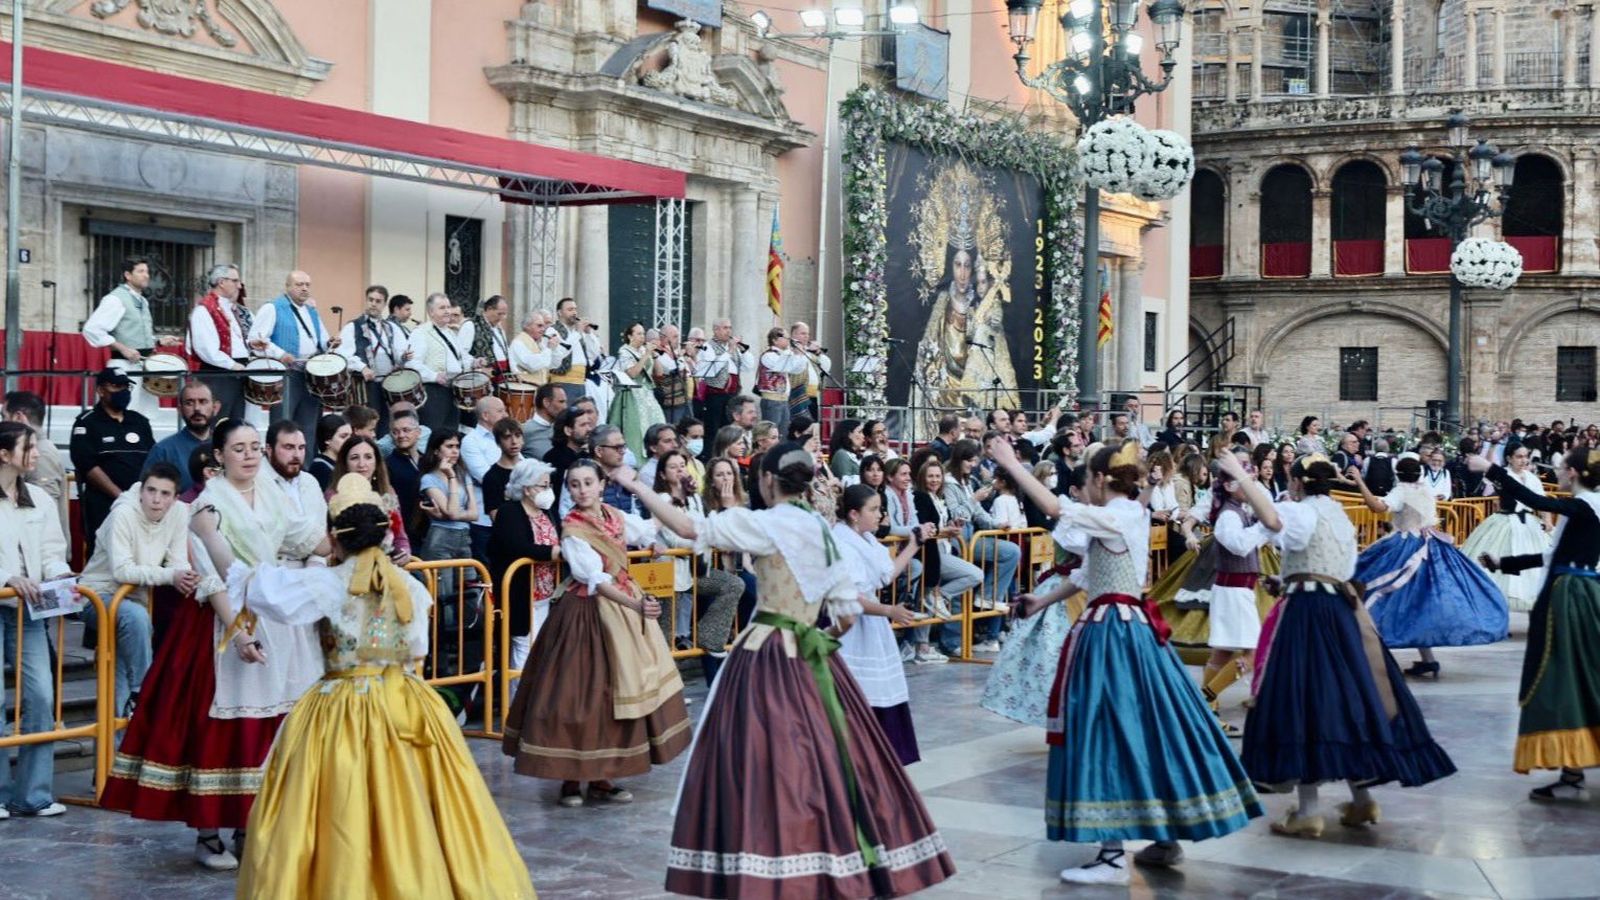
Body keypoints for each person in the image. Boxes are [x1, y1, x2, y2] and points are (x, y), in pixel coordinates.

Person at [618, 444, 956, 897]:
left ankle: (769, 860)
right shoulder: (821, 527)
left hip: (766, 651)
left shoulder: (767, 523)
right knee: (828, 755)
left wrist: (631, 481)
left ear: (768, 481)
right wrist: (824, 643)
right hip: (816, 654)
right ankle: (833, 855)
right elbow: (846, 613)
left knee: (758, 758)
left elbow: (684, 526)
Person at [192, 473, 535, 898]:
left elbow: (253, 584)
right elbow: (416, 652)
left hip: (341, 710)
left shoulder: (327, 584)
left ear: (335, 540)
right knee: (419, 809)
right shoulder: (410, 585)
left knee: (339, 809)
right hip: (408, 706)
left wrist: (209, 534)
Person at [992, 439, 1261, 883]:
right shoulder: (1126, 515)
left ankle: (1114, 855)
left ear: (1099, 480)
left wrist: (1011, 465)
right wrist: (1039, 602)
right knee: (1149, 729)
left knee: (1106, 729)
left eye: (1087, 478)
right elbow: (1085, 574)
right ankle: (1163, 835)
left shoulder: (1119, 514)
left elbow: (1058, 511)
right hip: (1130, 630)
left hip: (1113, 634)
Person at [101, 418, 329, 870]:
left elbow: (306, 538)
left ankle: (249, 827)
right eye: (237, 448)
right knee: (219, 727)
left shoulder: (273, 495)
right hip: (221, 622)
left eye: (253, 447)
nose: (247, 455)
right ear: (219, 456)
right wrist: (238, 632)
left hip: (275, 614)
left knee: (272, 724)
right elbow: (209, 578)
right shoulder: (206, 507)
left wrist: (360, 541)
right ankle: (208, 833)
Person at [1217, 450, 1455, 839]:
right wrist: (1289, 579)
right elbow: (1330, 566)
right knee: (1351, 699)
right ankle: (1362, 800)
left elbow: (1273, 519)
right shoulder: (1338, 515)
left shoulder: (1299, 510)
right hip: (1341, 612)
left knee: (1303, 701)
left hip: (1308, 615)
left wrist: (1242, 479)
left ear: (1295, 483)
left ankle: (1308, 810)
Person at [501, 460, 692, 807]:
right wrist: (636, 607)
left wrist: (665, 510)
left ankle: (604, 776)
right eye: (575, 484)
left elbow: (648, 529)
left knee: (618, 696)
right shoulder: (573, 529)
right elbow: (595, 581)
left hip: (625, 607)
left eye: (588, 482)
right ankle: (571, 779)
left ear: (601, 484)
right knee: (579, 696)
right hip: (586, 614)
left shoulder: (615, 516)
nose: (582, 489)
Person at [1470, 448, 1600, 799]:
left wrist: (1491, 469)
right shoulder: (1587, 508)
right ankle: (1572, 770)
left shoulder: (1587, 505)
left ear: (1572, 472)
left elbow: (1528, 498)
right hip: (1580, 594)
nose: (1555, 475)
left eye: (1560, 470)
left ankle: (1572, 773)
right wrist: (1504, 563)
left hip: (1570, 600)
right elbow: (1551, 554)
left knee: (1563, 678)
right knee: (1579, 678)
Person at [1350, 457, 1509, 676]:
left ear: (1398, 474)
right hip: (1433, 548)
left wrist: (1360, 481)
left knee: (1374, 588)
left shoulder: (1402, 491)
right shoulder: (1424, 490)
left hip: (1405, 547)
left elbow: (1377, 507)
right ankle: (1427, 659)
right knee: (1420, 601)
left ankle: (1366, 647)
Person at [78, 463, 195, 717]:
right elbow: (122, 570)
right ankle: (144, 689)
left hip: (136, 600)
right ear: (141, 491)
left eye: (165, 494)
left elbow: (178, 562)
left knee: (117, 680)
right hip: (97, 595)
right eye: (151, 490)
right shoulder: (122, 513)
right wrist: (170, 576)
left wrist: (183, 576)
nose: (156, 499)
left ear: (175, 499)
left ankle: (115, 750)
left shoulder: (179, 514)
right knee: (135, 618)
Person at [0, 421, 73, 819]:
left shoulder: (40, 500)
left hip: (29, 609)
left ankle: (33, 794)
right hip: (5, 598)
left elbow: (51, 550)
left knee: (42, 695)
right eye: (28, 447)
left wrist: (59, 573)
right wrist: (6, 578)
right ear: (4, 454)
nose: (36, 453)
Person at [981, 465, 1087, 728]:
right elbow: (1086, 560)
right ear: (1075, 490)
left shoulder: (1098, 516)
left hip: (1088, 591)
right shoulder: (1072, 519)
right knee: (1054, 655)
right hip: (1066, 590)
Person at [831, 484, 926, 764]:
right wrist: (887, 609)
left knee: (882, 688)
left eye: (879, 509)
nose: (878, 515)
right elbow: (851, 595)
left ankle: (884, 755)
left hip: (872, 625)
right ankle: (857, 755)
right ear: (853, 514)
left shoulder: (868, 540)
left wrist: (914, 544)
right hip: (852, 625)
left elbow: (885, 575)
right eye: (872, 510)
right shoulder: (841, 542)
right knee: (857, 688)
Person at [83, 254, 184, 417]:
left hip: (144, 367)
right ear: (128, 275)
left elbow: (133, 333)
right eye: (141, 271)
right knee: (120, 413)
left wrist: (158, 341)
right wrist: (123, 348)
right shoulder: (115, 299)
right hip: (123, 366)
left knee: (145, 416)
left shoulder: (142, 301)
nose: (147, 275)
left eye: (147, 271)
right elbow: (92, 329)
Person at [70, 368, 157, 556]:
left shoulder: (139, 421)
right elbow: (87, 465)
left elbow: (153, 459)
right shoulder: (86, 423)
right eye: (116, 386)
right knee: (104, 558)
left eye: (126, 386)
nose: (123, 391)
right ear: (101, 390)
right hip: (104, 505)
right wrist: (122, 497)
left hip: (141, 504)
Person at [488, 458, 562, 676]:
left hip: (547, 592)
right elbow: (517, 546)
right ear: (528, 488)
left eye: (549, 485)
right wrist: (553, 553)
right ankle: (517, 705)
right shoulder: (509, 512)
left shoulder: (547, 512)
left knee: (543, 649)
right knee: (523, 650)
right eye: (543, 485)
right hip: (521, 592)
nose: (548, 490)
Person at [944, 439, 1019, 651]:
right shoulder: (949, 483)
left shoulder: (967, 483)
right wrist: (974, 499)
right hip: (958, 540)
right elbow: (957, 515)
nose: (973, 465)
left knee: (1011, 551)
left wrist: (997, 524)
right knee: (959, 591)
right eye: (970, 461)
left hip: (972, 537)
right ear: (960, 459)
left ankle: (987, 596)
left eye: (975, 461)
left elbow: (979, 515)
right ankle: (952, 642)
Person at [248, 270, 337, 439]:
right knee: (283, 425)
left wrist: (331, 343)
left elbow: (322, 340)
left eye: (307, 285)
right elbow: (256, 339)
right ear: (287, 286)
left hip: (310, 376)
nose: (304, 288)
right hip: (286, 375)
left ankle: (306, 464)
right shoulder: (272, 308)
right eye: (299, 284)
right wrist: (280, 354)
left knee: (308, 428)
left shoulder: (311, 311)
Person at [1461, 444, 1550, 613]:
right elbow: (1492, 478)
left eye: (1526, 456)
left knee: (1534, 567)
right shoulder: (1504, 475)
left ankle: (1532, 602)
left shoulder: (1532, 478)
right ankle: (1495, 608)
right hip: (1505, 522)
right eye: (1519, 456)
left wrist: (1547, 521)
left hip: (1529, 524)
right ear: (1509, 458)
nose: (1524, 460)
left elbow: (1541, 501)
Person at [914, 456, 985, 658]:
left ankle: (924, 643)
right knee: (974, 574)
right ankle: (923, 643)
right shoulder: (921, 496)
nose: (934, 480)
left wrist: (952, 525)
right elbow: (926, 527)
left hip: (943, 550)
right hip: (931, 551)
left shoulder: (940, 497)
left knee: (925, 597)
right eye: (930, 476)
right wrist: (945, 531)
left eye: (937, 476)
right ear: (922, 477)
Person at [336, 284, 414, 431]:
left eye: (378, 301)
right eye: (371, 299)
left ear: (384, 304)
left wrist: (403, 357)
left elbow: (398, 353)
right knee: (365, 423)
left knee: (386, 423)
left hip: (387, 384)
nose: (373, 304)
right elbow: (343, 354)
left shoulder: (390, 327)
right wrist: (363, 367)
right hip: (364, 385)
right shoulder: (353, 326)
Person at [329, 435, 410, 565]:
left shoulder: (387, 493)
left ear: (376, 462)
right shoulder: (333, 496)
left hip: (386, 565)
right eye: (355, 458)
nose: (362, 464)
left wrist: (404, 552)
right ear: (345, 463)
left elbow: (400, 536)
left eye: (368, 457)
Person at [417, 430, 478, 603]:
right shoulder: (429, 479)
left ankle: (471, 631)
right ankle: (442, 631)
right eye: (449, 446)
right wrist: (451, 476)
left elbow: (474, 514)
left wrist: (450, 515)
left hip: (464, 538)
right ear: (436, 451)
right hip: (440, 539)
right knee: (444, 598)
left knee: (470, 594)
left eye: (457, 446)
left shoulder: (464, 474)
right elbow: (452, 511)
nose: (455, 451)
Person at [188, 264, 251, 421]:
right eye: (235, 280)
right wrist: (232, 365)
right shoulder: (204, 310)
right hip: (218, 373)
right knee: (217, 421)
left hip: (238, 370)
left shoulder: (232, 309)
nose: (239, 285)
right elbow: (206, 349)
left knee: (236, 422)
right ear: (221, 282)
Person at [2, 391, 69, 539]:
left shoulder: (42, 454)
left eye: (4, 417)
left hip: (39, 551)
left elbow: (40, 515)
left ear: (18, 417)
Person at [408, 293, 473, 438]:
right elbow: (412, 363)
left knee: (451, 434)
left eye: (448, 307)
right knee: (434, 435)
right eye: (442, 308)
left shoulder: (450, 333)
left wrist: (474, 362)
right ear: (431, 312)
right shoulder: (421, 333)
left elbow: (459, 358)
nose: (447, 311)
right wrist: (434, 376)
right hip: (433, 392)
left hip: (452, 391)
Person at [608, 321, 669, 459]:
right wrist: (646, 354)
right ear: (630, 336)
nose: (642, 337)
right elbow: (632, 373)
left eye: (643, 333)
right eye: (639, 333)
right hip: (632, 395)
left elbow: (659, 373)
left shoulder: (643, 350)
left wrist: (654, 355)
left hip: (647, 394)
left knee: (657, 424)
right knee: (636, 430)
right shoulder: (624, 351)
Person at [144, 381, 216, 495]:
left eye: (203, 402)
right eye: (189, 403)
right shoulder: (163, 450)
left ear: (215, 408)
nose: (197, 408)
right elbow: (148, 495)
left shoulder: (226, 447)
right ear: (180, 410)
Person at [461, 395, 509, 561]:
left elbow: (523, 469)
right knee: (486, 574)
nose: (506, 415)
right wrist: (516, 484)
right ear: (485, 416)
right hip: (483, 520)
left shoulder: (506, 438)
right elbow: (487, 478)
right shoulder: (471, 441)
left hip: (507, 517)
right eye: (500, 411)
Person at [546, 297, 605, 409]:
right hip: (562, 382)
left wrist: (588, 334)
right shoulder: (552, 330)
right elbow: (561, 352)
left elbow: (593, 354)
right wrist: (578, 332)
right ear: (560, 313)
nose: (574, 312)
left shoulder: (577, 333)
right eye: (570, 309)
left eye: (575, 309)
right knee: (565, 417)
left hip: (581, 382)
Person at [694, 319, 751, 429]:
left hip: (733, 394)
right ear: (715, 330)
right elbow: (715, 368)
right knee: (714, 429)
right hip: (716, 395)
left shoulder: (734, 347)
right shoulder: (708, 346)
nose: (729, 331)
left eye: (730, 328)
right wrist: (729, 351)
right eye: (725, 328)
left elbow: (748, 366)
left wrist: (743, 351)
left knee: (730, 427)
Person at [385, 409, 426, 549]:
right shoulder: (387, 464)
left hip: (430, 532)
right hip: (403, 534)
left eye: (406, 430)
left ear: (418, 432)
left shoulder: (428, 461)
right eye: (395, 432)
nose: (401, 435)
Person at [754, 326, 805, 431]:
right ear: (775, 340)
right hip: (772, 400)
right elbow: (783, 367)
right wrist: (792, 352)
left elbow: (797, 369)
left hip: (784, 400)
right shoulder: (769, 355)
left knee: (783, 434)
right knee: (770, 432)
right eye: (785, 337)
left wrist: (800, 354)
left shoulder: (785, 355)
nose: (788, 340)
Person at [508, 307, 568, 390]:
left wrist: (554, 349)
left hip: (538, 390)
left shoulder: (538, 343)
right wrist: (549, 349)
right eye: (539, 326)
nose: (543, 329)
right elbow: (533, 365)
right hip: (524, 392)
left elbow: (553, 364)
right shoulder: (518, 342)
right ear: (527, 326)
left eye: (544, 326)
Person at [481, 418, 525, 523]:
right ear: (498, 442)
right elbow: (495, 516)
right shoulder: (491, 476)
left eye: (517, 436)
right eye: (507, 437)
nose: (514, 441)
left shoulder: (530, 469)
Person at [787, 321, 831, 423]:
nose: (806, 337)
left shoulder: (810, 353)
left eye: (807, 334)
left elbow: (826, 367)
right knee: (799, 426)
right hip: (797, 396)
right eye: (803, 333)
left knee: (813, 428)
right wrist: (801, 351)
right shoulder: (789, 351)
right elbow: (795, 367)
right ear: (793, 334)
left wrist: (818, 352)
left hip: (812, 396)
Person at [468, 294, 512, 382]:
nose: (502, 318)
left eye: (504, 314)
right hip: (481, 380)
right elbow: (461, 354)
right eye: (499, 314)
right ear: (489, 309)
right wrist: (477, 365)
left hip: (502, 378)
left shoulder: (499, 329)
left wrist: (514, 371)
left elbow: (507, 352)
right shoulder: (471, 325)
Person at [521, 383, 568, 461]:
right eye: (561, 402)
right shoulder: (524, 431)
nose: (565, 407)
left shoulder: (564, 430)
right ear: (546, 402)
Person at [636, 422, 680, 496]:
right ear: (653, 448)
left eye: (675, 440)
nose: (675, 445)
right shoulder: (648, 473)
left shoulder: (679, 465)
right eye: (667, 441)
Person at [307, 413, 350, 491]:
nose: (349, 441)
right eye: (343, 436)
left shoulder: (342, 463)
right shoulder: (320, 468)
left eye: (350, 436)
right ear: (328, 439)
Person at [828, 418, 865, 483]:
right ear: (849, 434)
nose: (863, 436)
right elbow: (846, 483)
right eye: (860, 432)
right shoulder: (841, 455)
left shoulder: (857, 455)